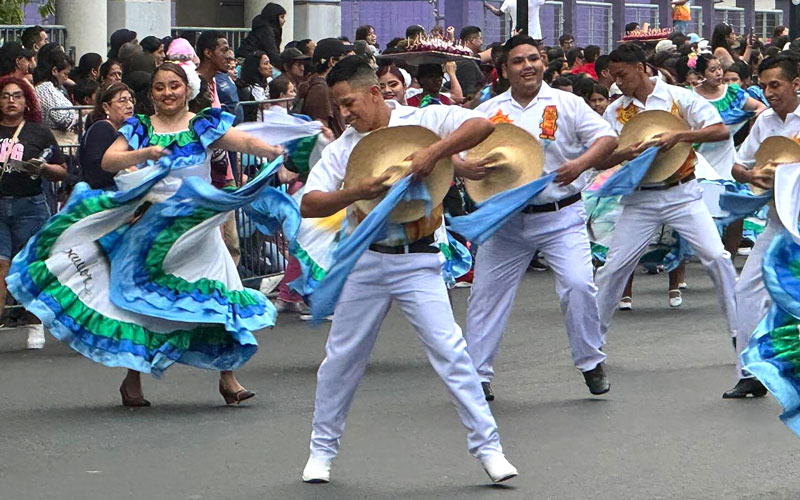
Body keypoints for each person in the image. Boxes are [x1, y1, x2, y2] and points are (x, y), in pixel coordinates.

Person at [10, 62, 285, 407]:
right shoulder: (140, 127)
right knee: (141, 307)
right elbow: (109, 161)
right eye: (159, 87)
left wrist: (272, 151)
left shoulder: (203, 125)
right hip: (152, 232)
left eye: (174, 86)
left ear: (187, 89)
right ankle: (133, 381)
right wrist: (146, 153)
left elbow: (241, 140)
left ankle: (228, 379)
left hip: (198, 229)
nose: (168, 93)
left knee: (220, 298)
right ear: (151, 94)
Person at [298, 55, 517, 485]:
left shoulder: (425, 117)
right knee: (341, 360)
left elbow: (482, 126)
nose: (344, 114)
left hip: (418, 259)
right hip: (365, 260)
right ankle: (321, 452)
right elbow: (310, 203)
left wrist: (432, 153)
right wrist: (359, 190)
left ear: (376, 93)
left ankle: (490, 450)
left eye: (349, 103)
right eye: (338, 107)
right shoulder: (342, 148)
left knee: (452, 353)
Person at [464, 35, 617, 402]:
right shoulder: (487, 112)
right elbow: (457, 151)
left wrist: (580, 163)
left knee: (579, 285)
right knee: (486, 295)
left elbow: (607, 139)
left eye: (533, 58)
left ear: (544, 63)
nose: (527, 66)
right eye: (517, 61)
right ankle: (477, 377)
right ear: (504, 70)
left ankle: (590, 360)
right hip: (506, 220)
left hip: (560, 214)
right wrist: (466, 168)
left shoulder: (567, 103)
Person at [594, 43, 738, 360]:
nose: (618, 82)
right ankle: (592, 346)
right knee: (613, 269)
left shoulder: (679, 98)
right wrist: (625, 154)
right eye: (613, 77)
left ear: (642, 67)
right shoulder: (615, 110)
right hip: (639, 199)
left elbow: (720, 131)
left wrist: (680, 136)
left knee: (717, 258)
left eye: (622, 74)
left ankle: (740, 335)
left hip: (683, 193)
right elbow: (601, 160)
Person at [727, 54, 800, 398]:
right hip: (776, 222)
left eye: (776, 85)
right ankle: (751, 372)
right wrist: (752, 174)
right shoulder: (764, 122)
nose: (769, 92)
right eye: (765, 85)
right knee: (746, 290)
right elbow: (738, 166)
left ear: (796, 84)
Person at [0, 76, 67, 348]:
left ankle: (34, 323)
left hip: (31, 205)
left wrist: (42, 168)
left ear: (26, 101)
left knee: (29, 268)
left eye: (17, 95)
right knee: (1, 266)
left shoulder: (38, 132)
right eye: (5, 95)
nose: (11, 101)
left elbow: (61, 169)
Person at [691, 54, 765, 180]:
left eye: (719, 68)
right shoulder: (690, 96)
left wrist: (750, 120)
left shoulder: (732, 93)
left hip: (726, 152)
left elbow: (761, 107)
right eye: (712, 70)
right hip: (700, 152)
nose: (719, 73)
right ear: (701, 74)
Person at [78, 81, 134, 190]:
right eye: (122, 101)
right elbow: (97, 174)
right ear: (106, 107)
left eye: (131, 100)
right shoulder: (102, 129)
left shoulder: (124, 130)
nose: (129, 105)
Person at [297, 38, 354, 138]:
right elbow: (321, 130)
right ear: (332, 61)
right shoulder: (320, 89)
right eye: (344, 57)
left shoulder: (323, 84)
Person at [33, 51, 78, 137]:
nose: (66, 78)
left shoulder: (54, 88)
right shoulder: (45, 89)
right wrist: (78, 115)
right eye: (65, 74)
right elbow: (61, 117)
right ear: (54, 71)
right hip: (54, 137)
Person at [236, 2, 285, 67]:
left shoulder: (270, 29)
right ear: (274, 17)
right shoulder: (266, 30)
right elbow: (272, 52)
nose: (284, 20)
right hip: (249, 60)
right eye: (282, 17)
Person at [237, 50, 272, 122]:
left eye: (269, 63)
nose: (270, 66)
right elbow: (265, 106)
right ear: (256, 67)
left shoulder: (270, 81)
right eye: (266, 63)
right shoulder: (249, 88)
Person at [456, 26, 486, 98]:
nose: (481, 42)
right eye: (480, 39)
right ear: (472, 40)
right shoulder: (467, 62)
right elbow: (470, 91)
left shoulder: (459, 57)